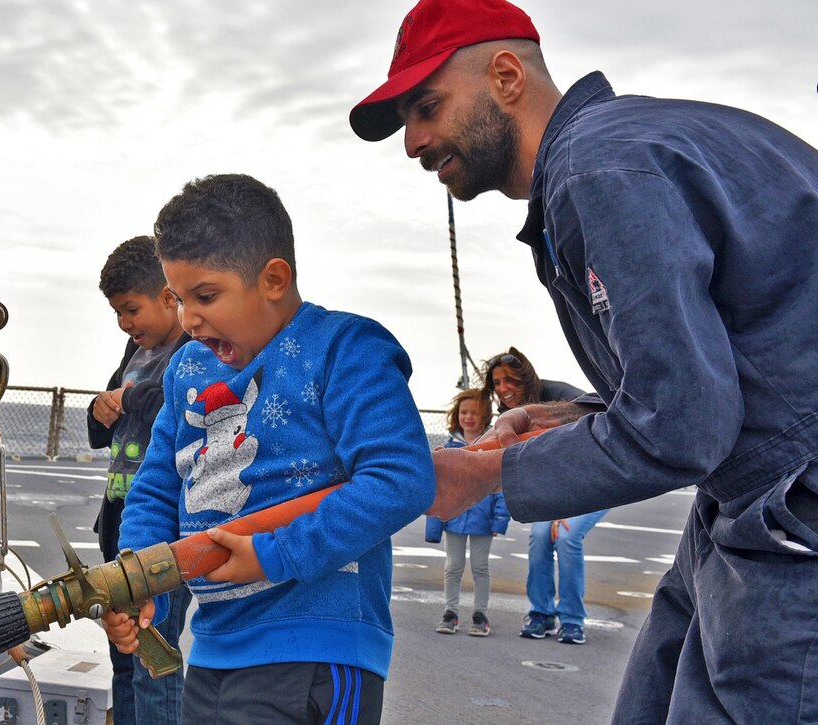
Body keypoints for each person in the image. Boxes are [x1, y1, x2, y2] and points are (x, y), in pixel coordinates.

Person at [350, 0, 818, 721]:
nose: (413, 141)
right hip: (745, 491)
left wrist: (481, 473)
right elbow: (711, 372)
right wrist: (575, 413)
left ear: (506, 76)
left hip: (792, 502)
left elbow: (685, 425)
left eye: (427, 106)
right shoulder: (616, 152)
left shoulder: (599, 172)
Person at [101, 173, 435, 724]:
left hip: (316, 651)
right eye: (180, 299)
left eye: (206, 296)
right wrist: (139, 582)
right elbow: (158, 489)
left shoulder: (344, 349)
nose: (189, 319)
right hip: (210, 650)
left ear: (274, 278)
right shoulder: (187, 367)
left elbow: (400, 479)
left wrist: (273, 555)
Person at [86, 236, 193, 725]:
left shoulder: (194, 351)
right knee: (122, 650)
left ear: (169, 296)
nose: (128, 325)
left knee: (154, 653)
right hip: (118, 521)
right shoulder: (134, 350)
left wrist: (124, 400)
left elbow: (173, 406)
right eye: (119, 315)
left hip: (164, 530)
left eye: (133, 310)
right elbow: (97, 430)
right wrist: (99, 406)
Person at [481, 348, 607, 645]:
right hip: (557, 488)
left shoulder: (558, 396)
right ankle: (541, 613)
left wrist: (567, 505)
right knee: (540, 536)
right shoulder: (508, 413)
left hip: (594, 481)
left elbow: (600, 412)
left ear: (526, 376)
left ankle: (573, 619)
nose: (503, 389)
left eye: (509, 380)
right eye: (497, 383)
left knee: (566, 536)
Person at [426, 387, 509, 637]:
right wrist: (434, 524)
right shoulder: (447, 448)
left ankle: (480, 615)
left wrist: (499, 520)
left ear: (485, 415)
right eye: (464, 412)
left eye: (475, 412)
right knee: (453, 566)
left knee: (480, 567)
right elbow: (437, 488)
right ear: (456, 414)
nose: (469, 417)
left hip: (483, 520)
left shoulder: (493, 447)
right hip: (453, 518)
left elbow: (501, 486)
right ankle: (450, 613)